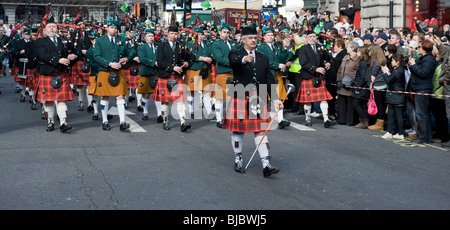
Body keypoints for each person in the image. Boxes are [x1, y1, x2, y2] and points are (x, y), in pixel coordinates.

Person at [223, 26, 282, 177]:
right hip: (241, 95)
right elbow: (234, 62)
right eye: (250, 38)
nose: (253, 40)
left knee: (261, 130)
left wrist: (275, 99)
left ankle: (266, 163)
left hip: (259, 96)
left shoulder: (263, 57)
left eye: (255, 38)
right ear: (243, 40)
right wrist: (244, 59)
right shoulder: (235, 53)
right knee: (238, 130)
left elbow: (268, 80)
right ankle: (238, 159)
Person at [35, 16, 77, 132]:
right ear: (44, 30)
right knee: (48, 100)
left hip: (60, 73)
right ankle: (51, 122)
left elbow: (63, 55)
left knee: (61, 99)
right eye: (50, 27)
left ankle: (63, 122)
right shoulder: (40, 42)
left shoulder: (60, 41)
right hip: (47, 73)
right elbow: (42, 55)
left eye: (54, 27)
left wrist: (69, 57)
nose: (52, 29)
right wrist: (58, 60)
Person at [93, 20, 133, 132]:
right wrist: (110, 64)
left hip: (118, 72)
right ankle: (105, 121)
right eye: (112, 28)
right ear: (107, 29)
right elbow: (96, 56)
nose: (114, 30)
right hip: (105, 71)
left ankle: (122, 122)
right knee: (105, 96)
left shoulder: (122, 40)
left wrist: (127, 58)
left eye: (115, 28)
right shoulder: (100, 41)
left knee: (120, 96)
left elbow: (132, 51)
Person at [153, 25, 194, 132]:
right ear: (167, 34)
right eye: (172, 34)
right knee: (165, 101)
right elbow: (160, 62)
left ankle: (183, 122)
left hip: (177, 77)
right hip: (165, 75)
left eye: (175, 34)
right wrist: (172, 67)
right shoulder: (161, 46)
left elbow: (191, 57)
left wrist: (186, 63)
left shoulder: (181, 46)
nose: (174, 36)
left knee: (180, 100)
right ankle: (165, 120)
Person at [295, 30, 335, 128]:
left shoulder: (320, 48)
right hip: (308, 76)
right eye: (311, 36)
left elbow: (328, 57)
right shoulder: (303, 49)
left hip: (318, 77)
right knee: (308, 101)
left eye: (314, 36)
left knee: (324, 99)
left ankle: (326, 119)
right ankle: (307, 118)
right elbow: (303, 63)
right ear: (307, 38)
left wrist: (328, 62)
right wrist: (315, 69)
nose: (313, 38)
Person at [256, 27, 290, 129]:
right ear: (264, 37)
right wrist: (277, 65)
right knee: (263, 99)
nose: (271, 37)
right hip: (266, 75)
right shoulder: (261, 47)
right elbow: (264, 61)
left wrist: (287, 50)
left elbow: (281, 57)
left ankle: (280, 120)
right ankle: (262, 119)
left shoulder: (276, 46)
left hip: (276, 75)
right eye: (269, 35)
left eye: (272, 35)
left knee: (278, 98)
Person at [407, 40, 436, 144]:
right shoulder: (423, 58)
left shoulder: (428, 59)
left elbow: (423, 73)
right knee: (423, 113)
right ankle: (425, 136)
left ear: (424, 49)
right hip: (418, 87)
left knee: (421, 114)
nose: (417, 49)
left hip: (422, 88)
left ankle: (423, 136)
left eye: (419, 47)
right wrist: (412, 64)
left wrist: (414, 65)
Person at [211, 24, 239, 128]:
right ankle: (219, 119)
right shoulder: (216, 44)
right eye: (224, 32)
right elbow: (219, 59)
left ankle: (229, 118)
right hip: (223, 73)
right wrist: (234, 61)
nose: (226, 34)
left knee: (230, 98)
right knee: (219, 98)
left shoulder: (233, 44)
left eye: (228, 33)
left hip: (233, 73)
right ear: (220, 32)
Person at [184, 27, 214, 120]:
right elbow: (190, 55)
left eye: (201, 34)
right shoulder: (190, 44)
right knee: (192, 92)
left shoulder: (207, 44)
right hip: (194, 69)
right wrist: (203, 58)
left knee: (207, 92)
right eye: (198, 35)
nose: (200, 36)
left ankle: (209, 113)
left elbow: (211, 54)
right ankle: (191, 111)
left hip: (205, 70)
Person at [136, 29, 162, 122]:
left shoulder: (157, 46)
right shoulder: (142, 47)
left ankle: (160, 114)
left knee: (157, 94)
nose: (151, 38)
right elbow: (142, 59)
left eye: (152, 36)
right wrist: (153, 63)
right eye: (149, 36)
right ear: (145, 37)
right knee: (146, 94)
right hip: (146, 72)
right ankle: (145, 112)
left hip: (156, 73)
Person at [380, 54, 407, 139]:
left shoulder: (397, 71)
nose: (391, 62)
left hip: (396, 96)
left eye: (392, 61)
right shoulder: (398, 70)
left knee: (396, 115)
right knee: (393, 114)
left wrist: (385, 73)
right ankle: (392, 132)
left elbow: (388, 80)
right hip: (396, 95)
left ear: (397, 62)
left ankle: (396, 132)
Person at [69, 18, 92, 112]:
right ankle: (81, 103)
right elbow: (71, 48)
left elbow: (93, 45)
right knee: (79, 85)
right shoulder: (73, 35)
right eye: (80, 24)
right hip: (78, 61)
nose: (82, 25)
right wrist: (80, 51)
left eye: (83, 24)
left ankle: (90, 104)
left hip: (87, 60)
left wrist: (88, 52)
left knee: (89, 84)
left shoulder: (88, 34)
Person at [336, 41, 361, 125]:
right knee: (341, 102)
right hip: (342, 83)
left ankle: (350, 120)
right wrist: (338, 80)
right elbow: (340, 69)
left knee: (350, 103)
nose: (347, 48)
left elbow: (358, 72)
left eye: (349, 47)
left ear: (353, 48)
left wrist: (353, 81)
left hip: (350, 84)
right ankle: (341, 119)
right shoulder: (345, 56)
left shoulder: (358, 59)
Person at [324, 38, 347, 120]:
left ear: (340, 46)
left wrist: (331, 61)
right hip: (330, 78)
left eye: (335, 46)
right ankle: (329, 112)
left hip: (335, 78)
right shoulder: (335, 54)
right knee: (329, 96)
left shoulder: (343, 53)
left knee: (333, 96)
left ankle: (332, 112)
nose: (334, 48)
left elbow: (338, 64)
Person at [430, 46, 449, 144]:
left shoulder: (442, 66)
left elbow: (437, 81)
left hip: (439, 95)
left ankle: (442, 136)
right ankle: (439, 134)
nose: (436, 55)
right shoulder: (439, 65)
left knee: (441, 117)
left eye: (438, 54)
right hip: (437, 94)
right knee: (438, 117)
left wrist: (432, 90)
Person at [367, 45, 388, 131]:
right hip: (384, 85)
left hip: (378, 85)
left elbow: (374, 75)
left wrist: (370, 85)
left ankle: (380, 124)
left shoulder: (376, 61)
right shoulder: (382, 60)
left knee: (379, 105)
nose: (369, 52)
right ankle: (380, 122)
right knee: (382, 104)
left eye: (370, 50)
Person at [352, 45, 371, 128]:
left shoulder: (363, 63)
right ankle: (364, 120)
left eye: (359, 51)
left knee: (356, 103)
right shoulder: (364, 62)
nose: (357, 53)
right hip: (364, 87)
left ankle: (363, 119)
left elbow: (362, 76)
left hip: (362, 87)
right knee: (363, 104)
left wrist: (358, 87)